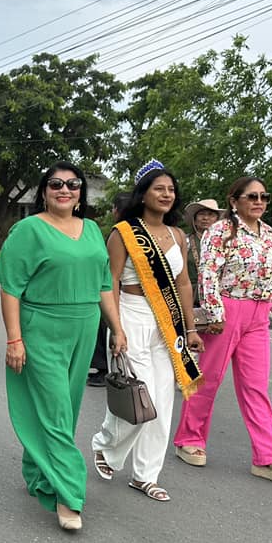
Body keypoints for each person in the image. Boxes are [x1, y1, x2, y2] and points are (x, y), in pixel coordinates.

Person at [0, 161, 126, 532]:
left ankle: (37, 472)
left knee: (65, 409)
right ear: (44, 191)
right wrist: (14, 339)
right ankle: (69, 494)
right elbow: (10, 288)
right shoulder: (28, 229)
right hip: (42, 328)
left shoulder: (92, 230)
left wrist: (116, 328)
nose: (64, 189)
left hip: (84, 327)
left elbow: (104, 285)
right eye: (55, 183)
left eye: (72, 184)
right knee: (55, 410)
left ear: (81, 193)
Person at [90, 161, 204, 502]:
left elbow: (184, 283)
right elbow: (109, 282)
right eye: (159, 189)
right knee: (141, 396)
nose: (166, 195)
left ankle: (145, 475)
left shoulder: (177, 235)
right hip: (132, 314)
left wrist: (191, 328)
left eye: (171, 190)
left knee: (163, 403)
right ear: (143, 194)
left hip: (167, 321)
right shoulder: (123, 233)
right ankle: (106, 445)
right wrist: (116, 327)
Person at [173, 176, 272, 484]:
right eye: (252, 196)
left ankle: (268, 456)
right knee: (209, 379)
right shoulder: (220, 231)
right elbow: (208, 273)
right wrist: (215, 312)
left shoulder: (270, 234)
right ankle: (189, 438)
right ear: (234, 201)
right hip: (228, 309)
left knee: (256, 386)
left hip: (259, 314)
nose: (259, 202)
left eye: (264, 197)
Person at [87, 191, 130, 387]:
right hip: (128, 291)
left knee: (106, 326)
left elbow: (111, 272)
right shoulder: (141, 232)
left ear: (116, 211)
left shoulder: (118, 234)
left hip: (115, 289)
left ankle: (105, 368)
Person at [184, 198, 223, 307]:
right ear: (195, 220)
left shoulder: (226, 242)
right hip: (191, 299)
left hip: (221, 298)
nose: (206, 218)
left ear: (217, 220)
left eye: (211, 214)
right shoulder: (184, 241)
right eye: (201, 214)